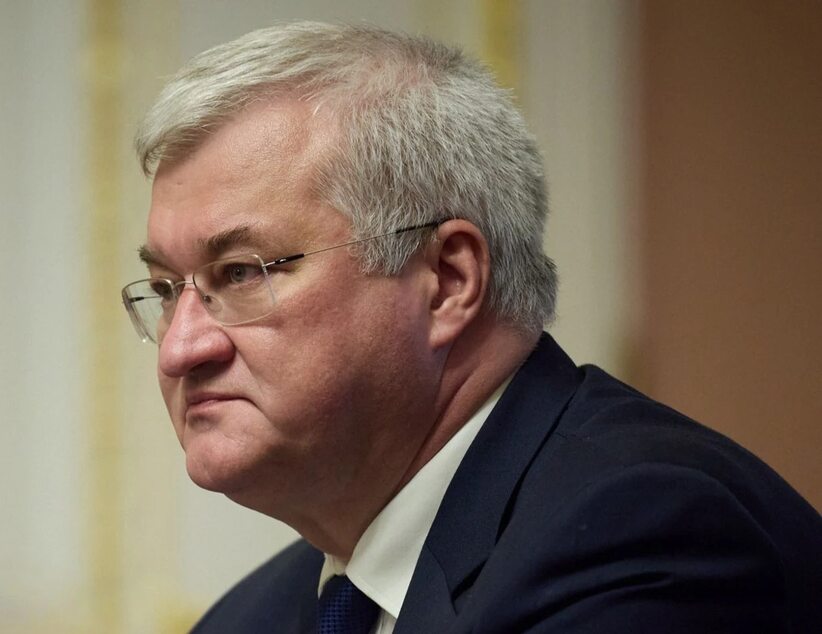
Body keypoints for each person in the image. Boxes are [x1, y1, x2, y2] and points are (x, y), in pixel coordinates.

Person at [121, 21, 822, 634]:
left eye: (239, 273)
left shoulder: (642, 538)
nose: (180, 349)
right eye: (164, 290)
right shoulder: (248, 619)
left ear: (448, 282)